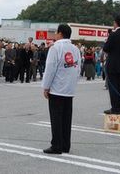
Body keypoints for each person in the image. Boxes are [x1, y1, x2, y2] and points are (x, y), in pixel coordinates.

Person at [42, 24, 81, 154]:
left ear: (60, 33)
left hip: (57, 89)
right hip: (69, 90)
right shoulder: (75, 49)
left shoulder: (56, 48)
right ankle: (65, 145)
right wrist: (73, 84)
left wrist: (46, 87)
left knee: (56, 118)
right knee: (66, 118)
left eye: (57, 32)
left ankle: (56, 145)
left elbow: (50, 69)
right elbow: (78, 69)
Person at [103, 15, 120, 115]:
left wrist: (107, 41)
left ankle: (115, 108)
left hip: (112, 65)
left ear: (116, 23)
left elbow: (106, 48)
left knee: (113, 87)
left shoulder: (113, 35)